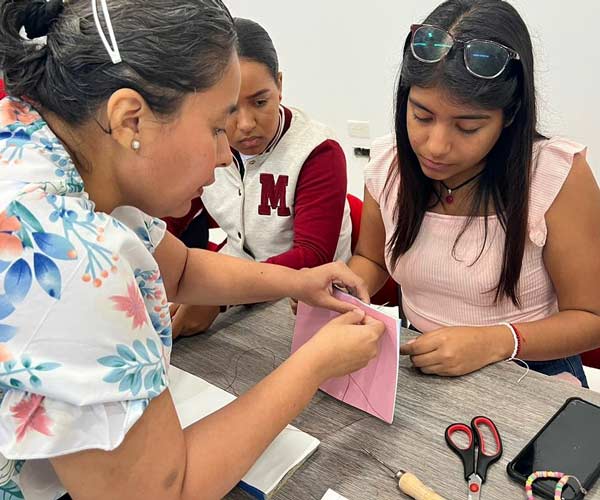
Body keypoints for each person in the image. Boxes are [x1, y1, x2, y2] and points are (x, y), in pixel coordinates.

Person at [0, 1, 384, 499]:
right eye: (218, 127)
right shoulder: (72, 263)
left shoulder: (42, 135)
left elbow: (177, 270)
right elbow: (165, 492)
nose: (228, 152)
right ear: (130, 120)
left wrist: (299, 280)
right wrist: (313, 363)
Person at [350, 0, 600, 387]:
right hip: (419, 361)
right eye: (421, 116)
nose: (435, 146)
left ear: (510, 115)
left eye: (467, 127)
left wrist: (496, 341)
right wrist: (344, 289)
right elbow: (371, 258)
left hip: (529, 370)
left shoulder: (555, 174)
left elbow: (591, 318)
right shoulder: (388, 164)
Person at [169, 17, 353, 338]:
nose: (245, 124)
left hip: (303, 297)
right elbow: (172, 213)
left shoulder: (317, 151)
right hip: (237, 286)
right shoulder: (206, 143)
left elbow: (312, 256)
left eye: (260, 102)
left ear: (279, 85)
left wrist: (218, 296)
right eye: (228, 109)